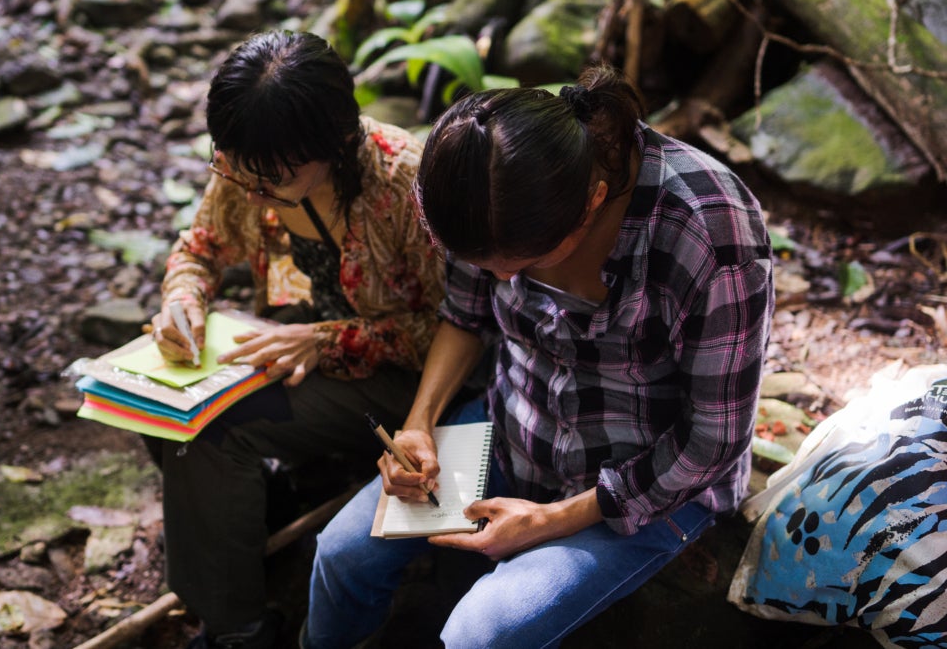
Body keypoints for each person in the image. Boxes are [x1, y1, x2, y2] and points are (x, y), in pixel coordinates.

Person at [304, 64, 775, 648]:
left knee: (480, 635)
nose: (502, 278)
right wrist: (419, 424)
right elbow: (465, 316)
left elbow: (713, 441)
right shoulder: (484, 173)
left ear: (592, 202)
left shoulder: (708, 229)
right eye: (488, 264)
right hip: (513, 424)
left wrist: (550, 521)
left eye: (520, 263)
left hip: (648, 480)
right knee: (341, 555)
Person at [147, 30, 445, 649]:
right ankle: (260, 510)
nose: (250, 193)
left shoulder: (405, 184)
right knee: (159, 403)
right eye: (234, 171)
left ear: (336, 142)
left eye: (271, 181)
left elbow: (459, 328)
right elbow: (200, 247)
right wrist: (182, 302)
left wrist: (329, 341)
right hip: (292, 352)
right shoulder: (253, 161)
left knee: (211, 433)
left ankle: (240, 630)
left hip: (400, 387)